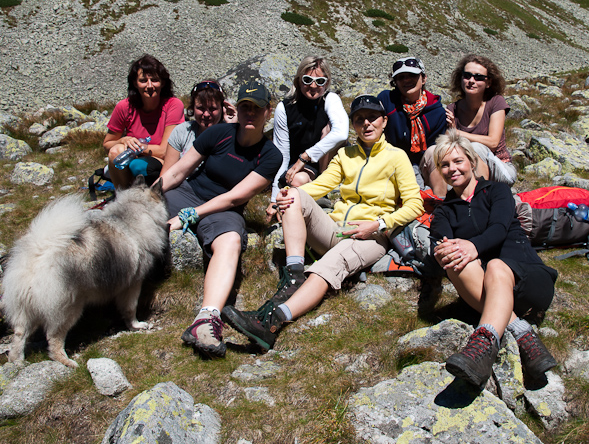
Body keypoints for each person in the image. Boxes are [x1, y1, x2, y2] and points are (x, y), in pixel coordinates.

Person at [222, 94, 424, 351]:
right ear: (353, 124)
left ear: (384, 121)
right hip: (336, 229)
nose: (367, 124)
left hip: (371, 235)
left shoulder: (397, 157)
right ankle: (294, 274)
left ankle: (272, 322)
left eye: (373, 118)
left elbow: (414, 205)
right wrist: (282, 198)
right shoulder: (346, 155)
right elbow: (320, 186)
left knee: (326, 267)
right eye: (360, 119)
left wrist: (378, 224)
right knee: (295, 193)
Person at [159, 80, 282, 358]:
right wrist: (147, 194)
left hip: (224, 210)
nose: (250, 113)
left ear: (268, 112)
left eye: (257, 108)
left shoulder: (271, 156)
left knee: (229, 242)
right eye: (244, 107)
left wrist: (188, 217)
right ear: (236, 109)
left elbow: (235, 197)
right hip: (188, 194)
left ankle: (206, 319)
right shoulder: (217, 134)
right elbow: (178, 172)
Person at [429, 131, 557, 388]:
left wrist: (472, 246)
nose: (452, 169)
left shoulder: (497, 191)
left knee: (497, 266)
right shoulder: (443, 211)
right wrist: (444, 251)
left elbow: (499, 228)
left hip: (528, 280)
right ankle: (520, 334)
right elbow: (441, 243)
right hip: (485, 291)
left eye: (458, 161)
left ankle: (481, 344)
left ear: (472, 162)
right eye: (444, 164)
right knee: (453, 260)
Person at [268, 56, 349, 220]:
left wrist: (305, 157)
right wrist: (274, 197)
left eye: (320, 81)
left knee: (329, 130)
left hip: (324, 162)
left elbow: (342, 132)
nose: (313, 86)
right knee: (297, 180)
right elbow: (281, 154)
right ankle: (316, 196)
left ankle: (325, 187)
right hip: (303, 167)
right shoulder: (285, 108)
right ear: (298, 80)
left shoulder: (330, 99)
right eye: (307, 79)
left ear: (326, 83)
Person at [103, 54, 184, 189]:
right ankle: (124, 195)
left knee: (138, 165)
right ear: (135, 83)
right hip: (137, 157)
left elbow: (165, 151)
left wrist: (136, 148)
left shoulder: (173, 105)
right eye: (143, 80)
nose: (150, 86)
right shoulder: (124, 107)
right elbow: (107, 145)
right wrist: (123, 140)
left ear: (163, 83)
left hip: (162, 163)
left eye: (155, 80)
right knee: (115, 151)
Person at [443, 54, 517, 184]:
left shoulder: (496, 103)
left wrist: (458, 133)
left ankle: (482, 198)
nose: (471, 80)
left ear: (488, 82)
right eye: (467, 76)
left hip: (501, 167)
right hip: (466, 170)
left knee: (476, 148)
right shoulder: (452, 109)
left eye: (479, 78)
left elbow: (493, 143)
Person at [376, 57, 447, 190]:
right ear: (395, 82)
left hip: (423, 164)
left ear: (423, 78)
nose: (406, 80)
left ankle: (440, 202)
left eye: (412, 75)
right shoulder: (387, 100)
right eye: (401, 77)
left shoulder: (437, 112)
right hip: (393, 161)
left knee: (433, 152)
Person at [160, 80, 236, 176]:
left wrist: (232, 127)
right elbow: (166, 174)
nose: (206, 114)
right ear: (193, 108)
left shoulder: (232, 135)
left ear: (223, 108)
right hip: (182, 187)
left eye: (212, 109)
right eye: (201, 108)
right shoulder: (182, 131)